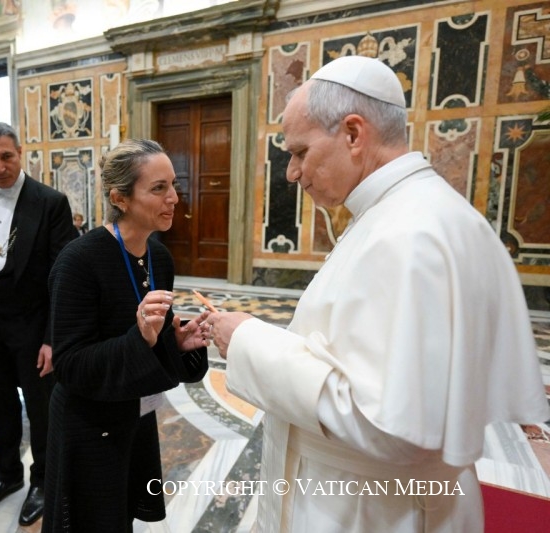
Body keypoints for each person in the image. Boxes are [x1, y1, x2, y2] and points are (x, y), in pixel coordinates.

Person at [206, 55, 550, 532]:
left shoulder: (409, 233)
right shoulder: (417, 211)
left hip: (373, 511)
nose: (292, 172)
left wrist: (247, 340)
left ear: (353, 133)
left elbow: (390, 424)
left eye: (301, 152)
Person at [43, 139, 211, 532]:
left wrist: (175, 343)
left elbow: (152, 340)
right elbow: (69, 365)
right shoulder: (79, 261)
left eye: (173, 185)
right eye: (158, 188)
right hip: (89, 424)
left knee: (122, 516)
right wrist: (141, 339)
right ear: (120, 198)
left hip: (135, 415)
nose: (174, 198)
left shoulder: (159, 256)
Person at [0, 121, 78, 525]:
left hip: (34, 322)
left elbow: (63, 275)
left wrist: (52, 338)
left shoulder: (50, 202)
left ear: (20, 153)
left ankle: (44, 481)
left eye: (5, 157)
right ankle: (8, 474)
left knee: (41, 408)